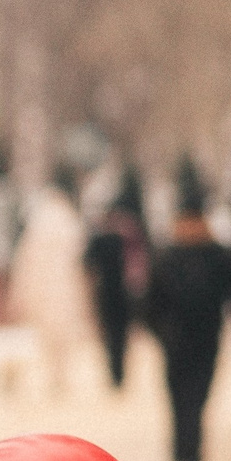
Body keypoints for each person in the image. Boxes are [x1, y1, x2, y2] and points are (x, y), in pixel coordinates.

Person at [145, 175, 231, 461]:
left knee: (183, 401)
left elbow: (149, 303)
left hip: (180, 341)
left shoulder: (169, 255)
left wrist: (160, 331)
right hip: (201, 338)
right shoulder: (216, 254)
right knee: (195, 400)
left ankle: (184, 458)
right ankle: (189, 457)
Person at [8, 178, 98, 395]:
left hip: (45, 285)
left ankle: (56, 375)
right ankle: (59, 375)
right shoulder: (69, 220)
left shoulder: (39, 220)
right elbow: (80, 257)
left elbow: (25, 259)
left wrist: (19, 290)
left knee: (48, 332)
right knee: (62, 332)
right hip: (64, 286)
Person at [84, 166, 150, 391]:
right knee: (121, 335)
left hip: (106, 292)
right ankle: (120, 373)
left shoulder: (102, 236)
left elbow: (88, 262)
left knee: (111, 335)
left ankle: (115, 373)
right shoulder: (131, 236)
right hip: (125, 293)